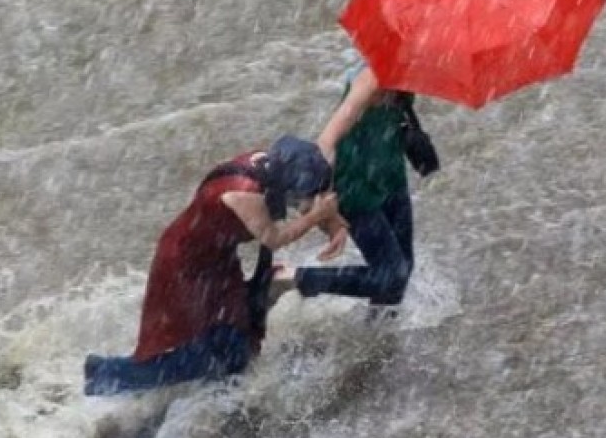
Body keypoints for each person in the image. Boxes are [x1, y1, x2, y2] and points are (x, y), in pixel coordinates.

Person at [83, 135, 345, 395]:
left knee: (235, 332)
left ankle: (221, 392)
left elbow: (309, 201)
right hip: (185, 266)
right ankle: (106, 374)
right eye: (300, 193)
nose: (303, 200)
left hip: (216, 256)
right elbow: (274, 238)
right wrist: (316, 217)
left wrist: (331, 222)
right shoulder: (243, 193)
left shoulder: (269, 164)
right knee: (198, 348)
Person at [281, 63, 437, 311]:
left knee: (402, 271)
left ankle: (380, 340)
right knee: (390, 276)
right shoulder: (369, 80)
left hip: (391, 177)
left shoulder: (408, 72)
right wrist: (328, 216)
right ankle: (291, 278)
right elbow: (325, 144)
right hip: (354, 188)